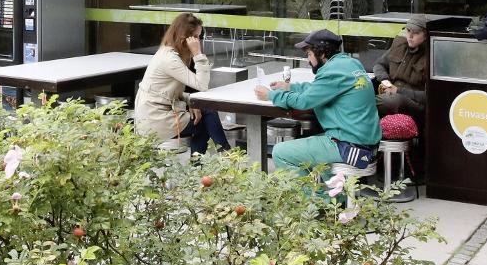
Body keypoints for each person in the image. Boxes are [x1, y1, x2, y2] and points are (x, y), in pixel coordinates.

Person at [253, 28, 380, 183]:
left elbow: (304, 102)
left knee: (280, 152)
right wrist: (290, 87)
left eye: (309, 54)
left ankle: (311, 203)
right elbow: (320, 89)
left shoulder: (332, 71)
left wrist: (271, 95)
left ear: (322, 53)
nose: (308, 60)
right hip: (365, 143)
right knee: (316, 154)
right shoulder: (350, 63)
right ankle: (332, 201)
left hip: (349, 145)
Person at [134, 12, 230, 155]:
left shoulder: (171, 53)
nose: (198, 42)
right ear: (184, 37)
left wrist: (190, 102)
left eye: (200, 37)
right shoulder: (170, 59)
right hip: (155, 119)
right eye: (196, 37)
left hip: (159, 113)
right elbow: (202, 85)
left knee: (203, 115)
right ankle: (227, 155)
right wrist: (198, 54)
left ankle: (205, 163)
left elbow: (168, 93)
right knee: (207, 113)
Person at [373, 14, 429, 117]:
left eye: (415, 33)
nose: (410, 36)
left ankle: (364, 104)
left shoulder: (430, 55)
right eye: (408, 31)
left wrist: (398, 91)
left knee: (391, 101)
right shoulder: (399, 45)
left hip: (414, 101)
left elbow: (429, 96)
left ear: (425, 36)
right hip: (390, 91)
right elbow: (379, 64)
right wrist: (386, 81)